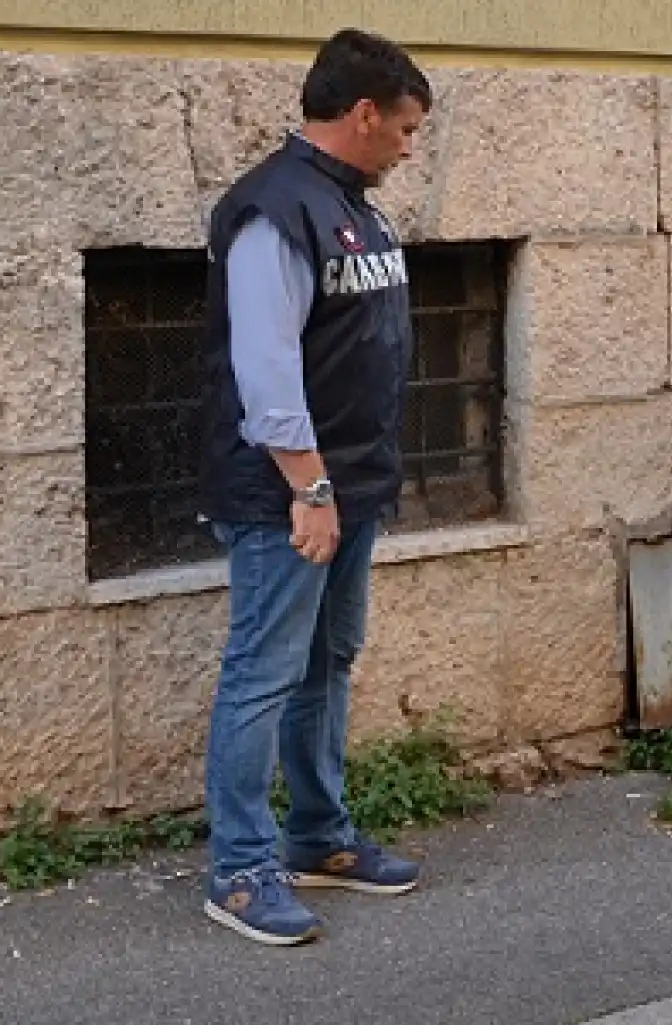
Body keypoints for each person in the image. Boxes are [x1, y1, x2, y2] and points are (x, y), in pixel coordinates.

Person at [195, 28, 431, 947]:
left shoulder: (356, 207)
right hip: (290, 496)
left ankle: (317, 837)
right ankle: (242, 871)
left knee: (326, 662)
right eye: (405, 129)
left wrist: (348, 488)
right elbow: (265, 366)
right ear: (363, 114)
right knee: (262, 672)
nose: (410, 149)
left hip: (353, 484)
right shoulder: (273, 209)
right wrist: (311, 490)